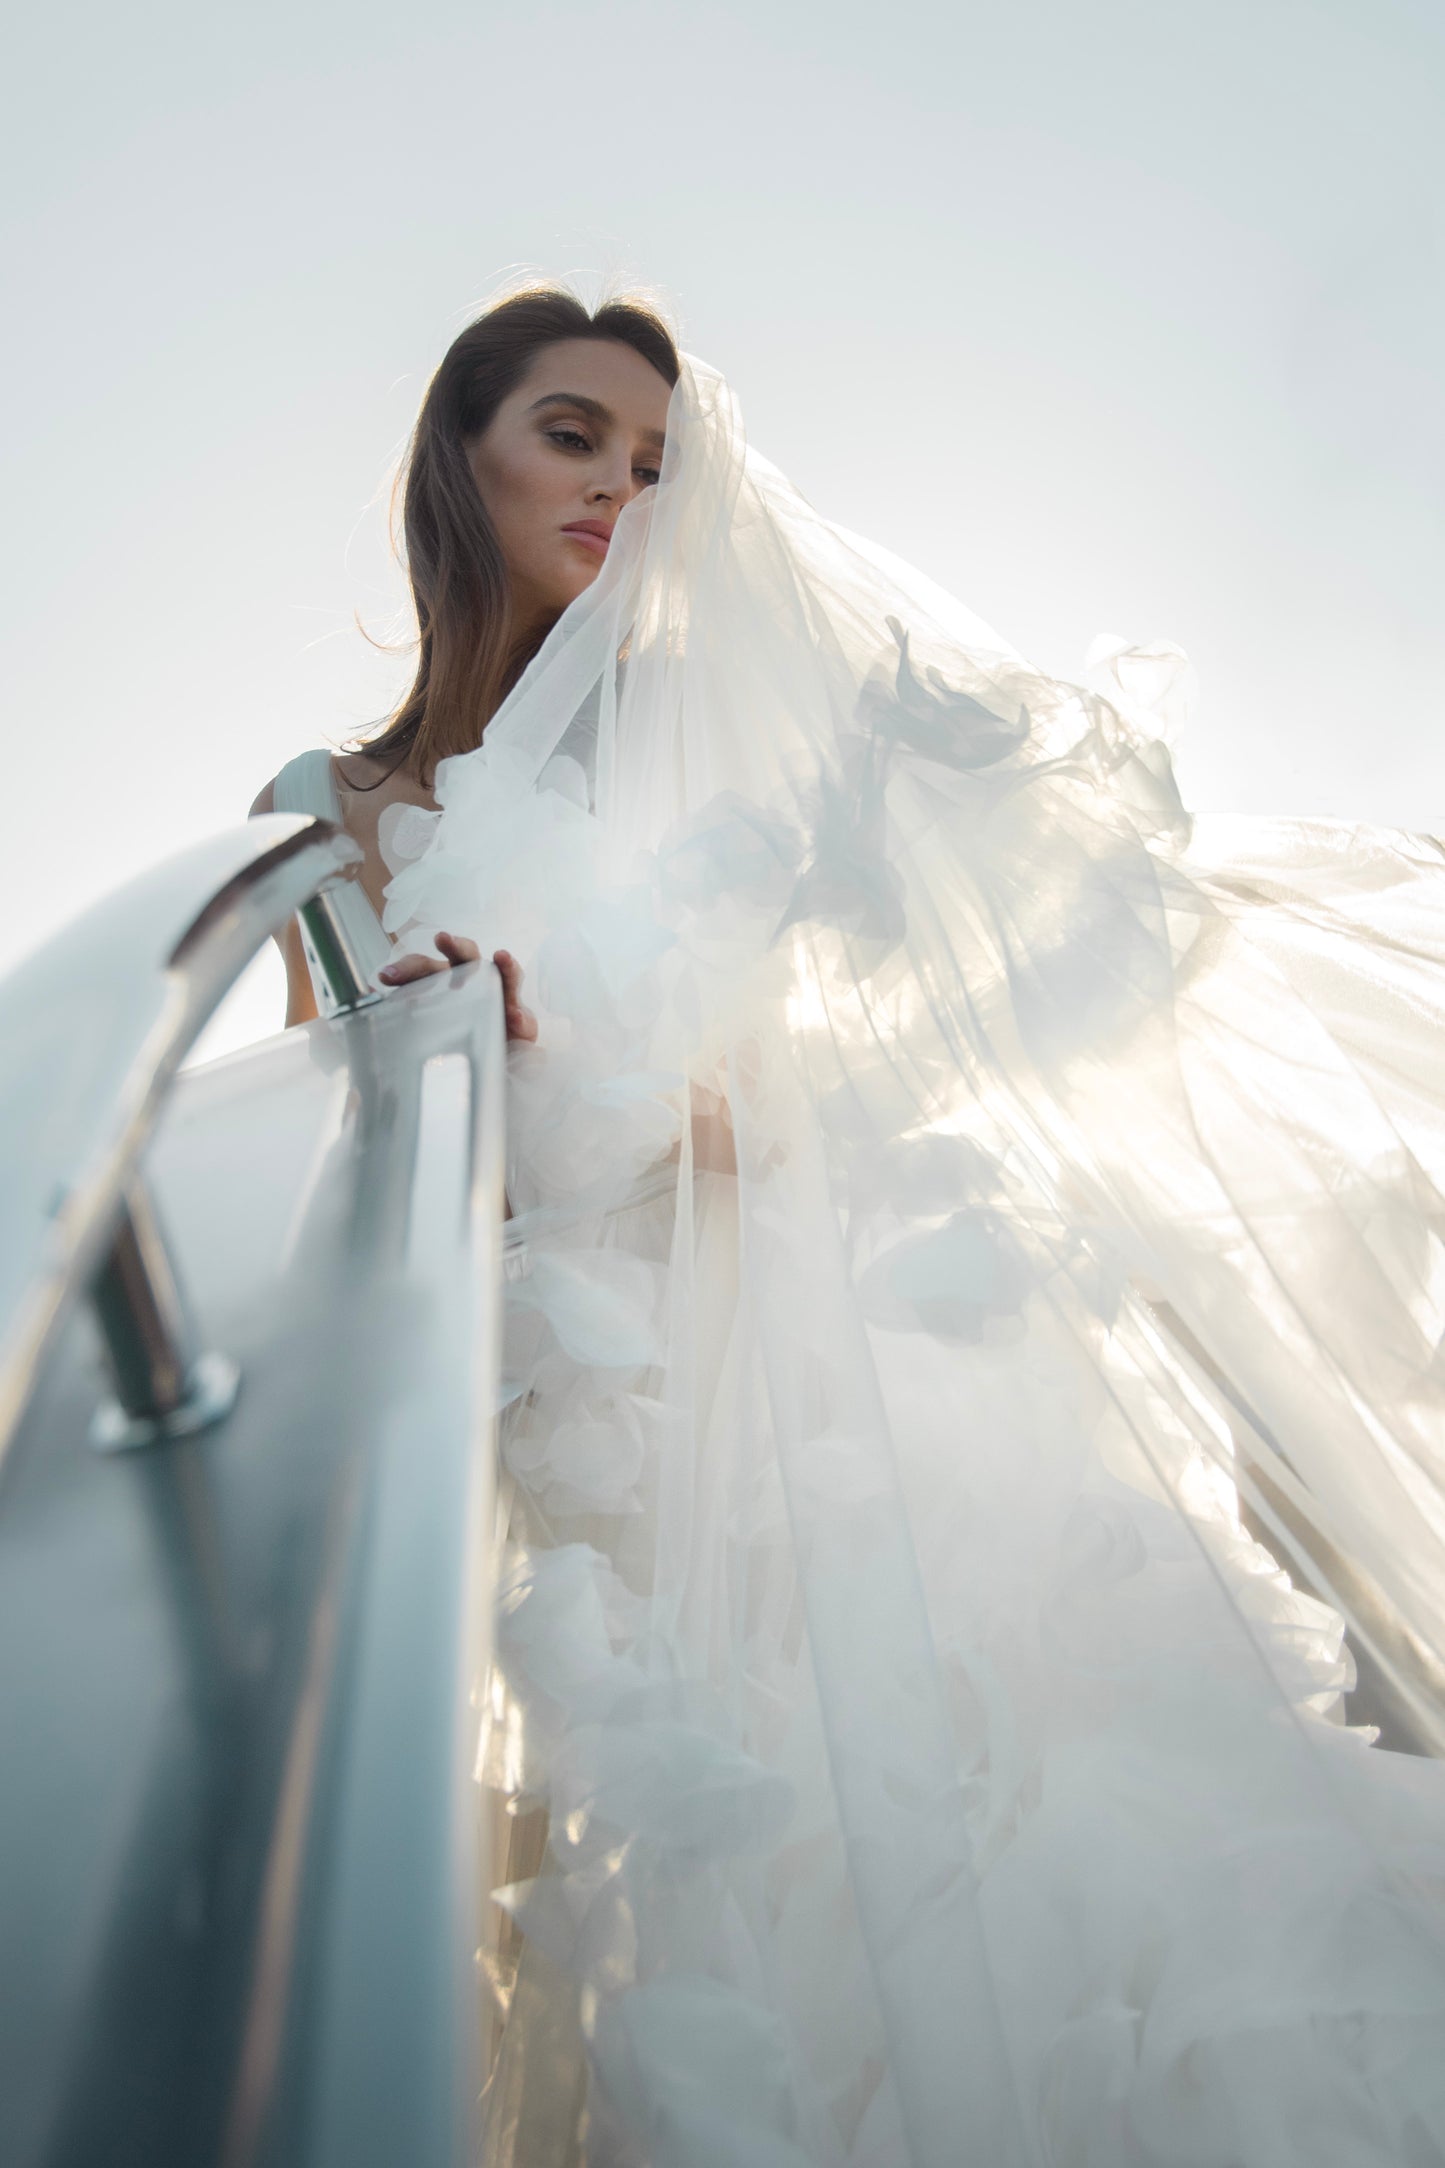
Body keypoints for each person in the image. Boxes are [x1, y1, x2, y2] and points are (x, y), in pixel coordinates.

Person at [256, 288, 1445, 2166]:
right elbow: (331, 1177)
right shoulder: (318, 819)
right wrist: (448, 1061)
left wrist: (606, 1081)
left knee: (1027, 1827)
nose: (620, 491)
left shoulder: (724, 743)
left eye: (658, 464)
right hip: (588, 1425)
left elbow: (836, 1086)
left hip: (831, 1368)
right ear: (456, 453)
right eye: (573, 436)